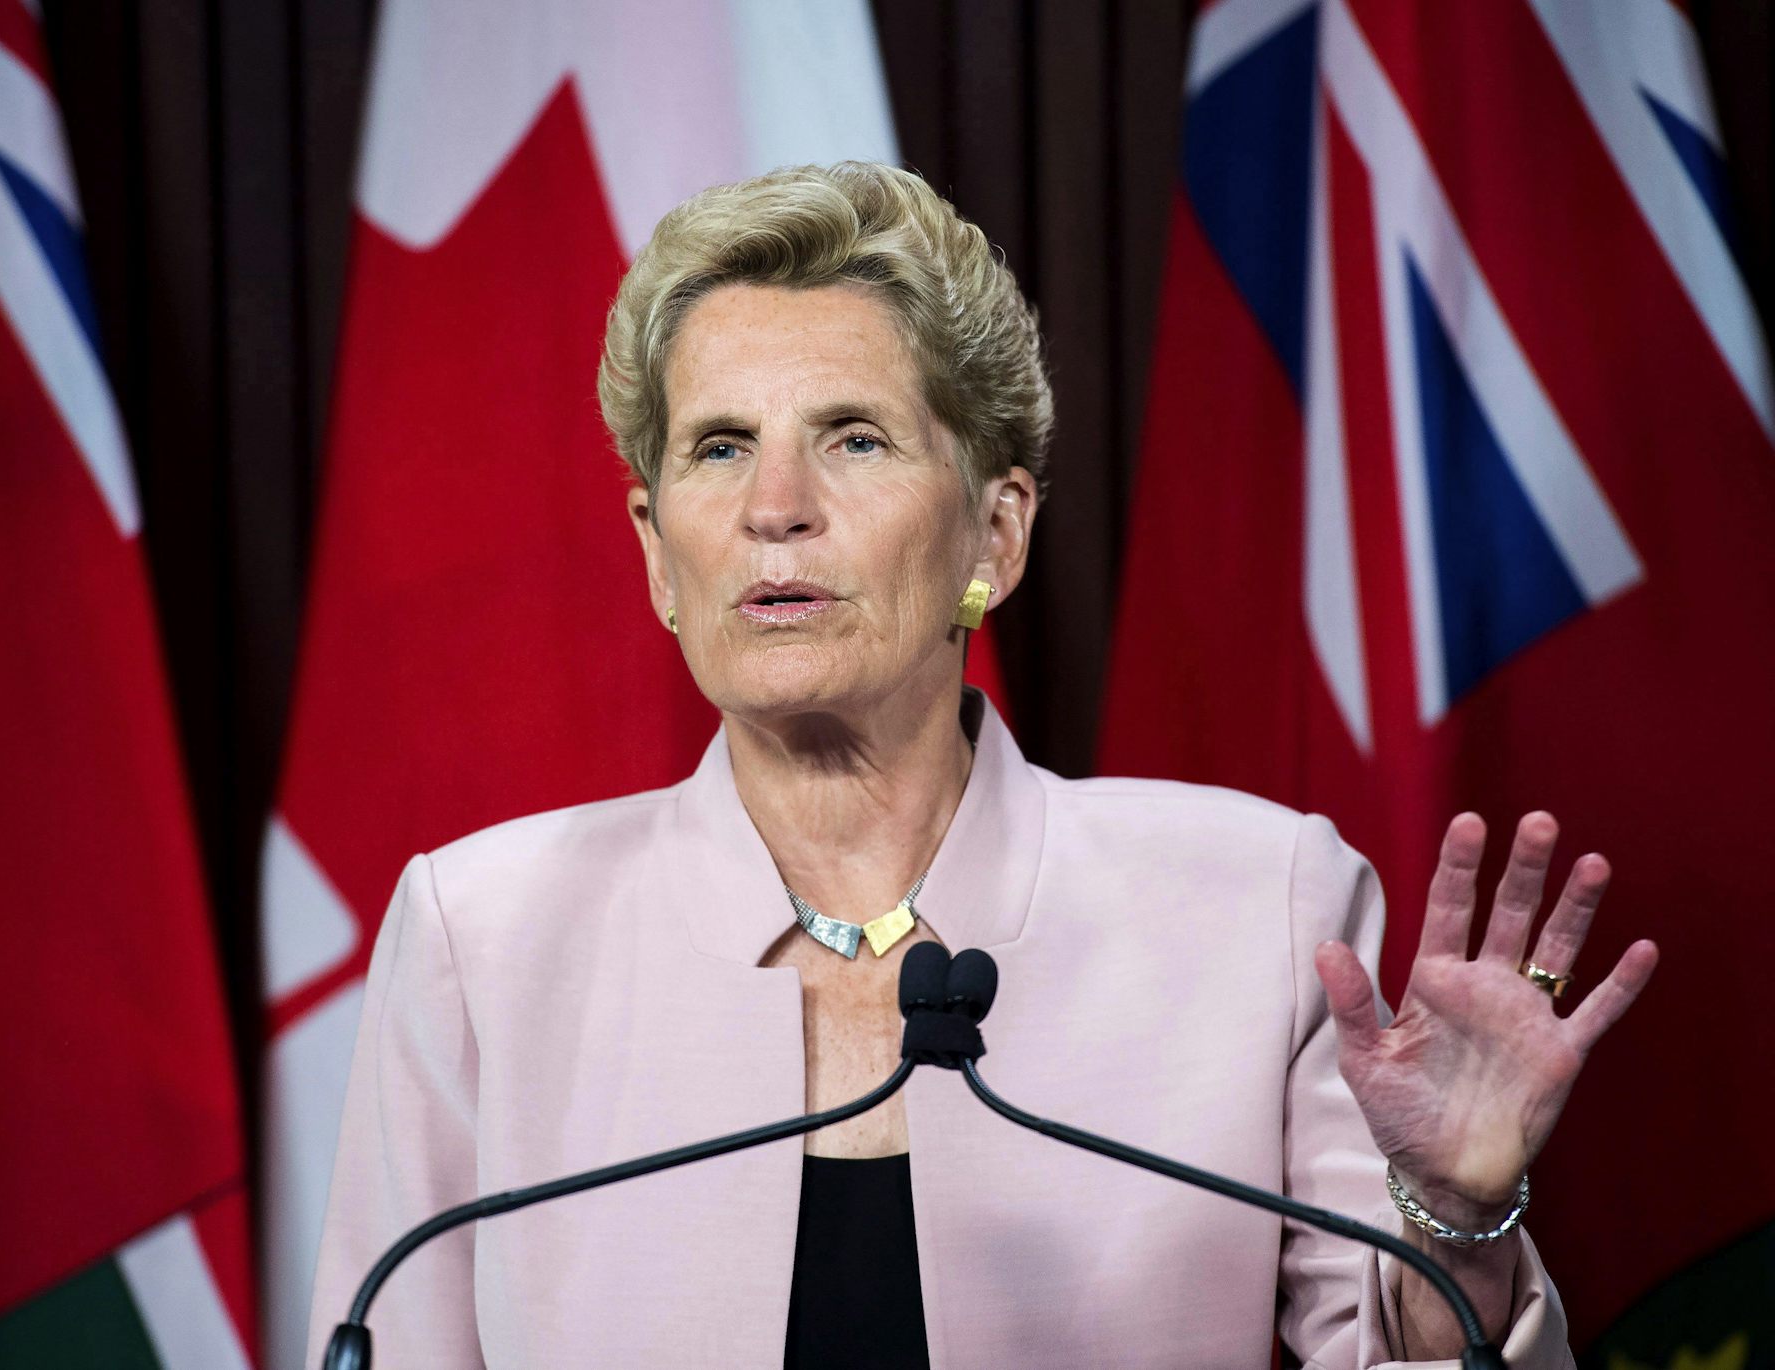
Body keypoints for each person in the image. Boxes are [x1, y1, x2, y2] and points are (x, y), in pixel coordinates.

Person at [304, 162, 1658, 1368]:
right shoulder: (483, 939)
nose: (777, 506)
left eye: (853, 436)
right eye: (721, 448)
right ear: (662, 553)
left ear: (994, 536)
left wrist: (1460, 1222)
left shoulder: (1261, 907)